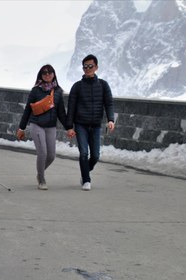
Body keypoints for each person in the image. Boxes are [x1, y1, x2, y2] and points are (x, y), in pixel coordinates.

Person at [66, 54, 115, 191]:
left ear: (96, 67)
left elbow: (109, 104)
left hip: (96, 125)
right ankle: (86, 180)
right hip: (80, 124)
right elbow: (71, 108)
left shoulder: (103, 85)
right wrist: (69, 127)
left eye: (90, 66)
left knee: (95, 155)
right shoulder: (77, 87)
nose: (87, 69)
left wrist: (110, 119)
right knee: (83, 153)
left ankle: (85, 171)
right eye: (85, 66)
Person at [16, 64, 68, 190]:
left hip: (51, 127)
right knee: (43, 153)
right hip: (37, 124)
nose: (47, 75)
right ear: (41, 75)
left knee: (51, 156)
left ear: (54, 74)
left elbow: (61, 112)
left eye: (50, 72)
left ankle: (40, 173)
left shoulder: (58, 92)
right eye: (44, 73)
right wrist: (21, 128)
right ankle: (42, 179)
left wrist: (69, 127)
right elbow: (28, 110)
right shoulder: (36, 90)